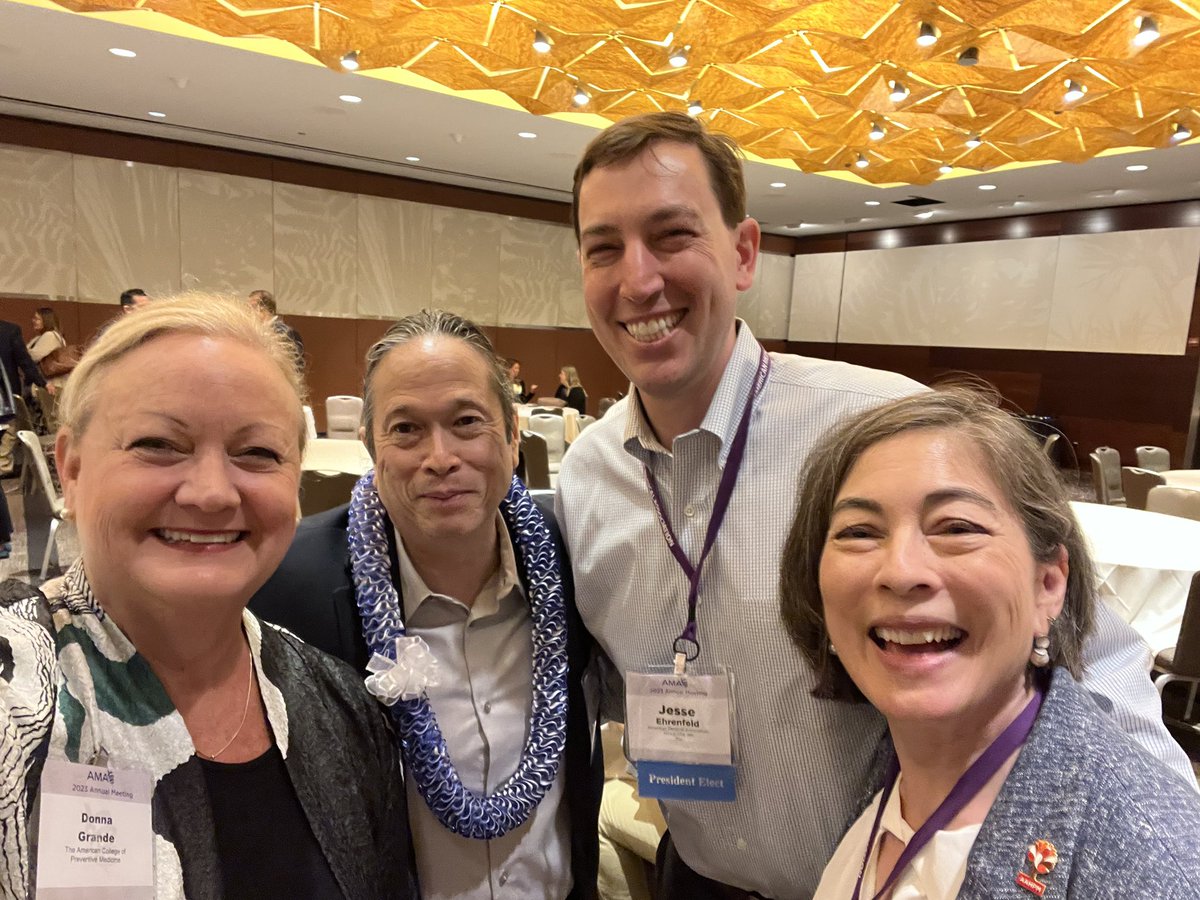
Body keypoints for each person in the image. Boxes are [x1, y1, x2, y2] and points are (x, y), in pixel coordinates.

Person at [554, 110, 1196, 899]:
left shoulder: (880, 430)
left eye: (673, 235)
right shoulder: (585, 480)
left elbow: (1091, 655)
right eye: (604, 248)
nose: (638, 278)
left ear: (744, 251)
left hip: (881, 873)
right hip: (695, 878)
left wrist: (1169, 851)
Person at [0, 295, 416, 899]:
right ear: (72, 466)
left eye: (258, 453)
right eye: (159, 444)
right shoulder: (18, 699)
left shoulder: (342, 708)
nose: (213, 493)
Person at [780, 388, 1200, 897]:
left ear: (1049, 584)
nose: (901, 571)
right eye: (859, 532)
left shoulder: (1149, 863)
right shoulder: (891, 762)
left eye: (957, 527)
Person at [252, 310, 601, 900]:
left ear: (513, 435)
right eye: (406, 429)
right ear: (369, 446)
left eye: (467, 422)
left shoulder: (575, 562)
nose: (440, 457)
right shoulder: (286, 589)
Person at [249, 289, 305, 365]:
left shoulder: (284, 333)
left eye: (252, 307)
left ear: (264, 308)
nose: (248, 312)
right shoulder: (257, 332)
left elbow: (292, 366)